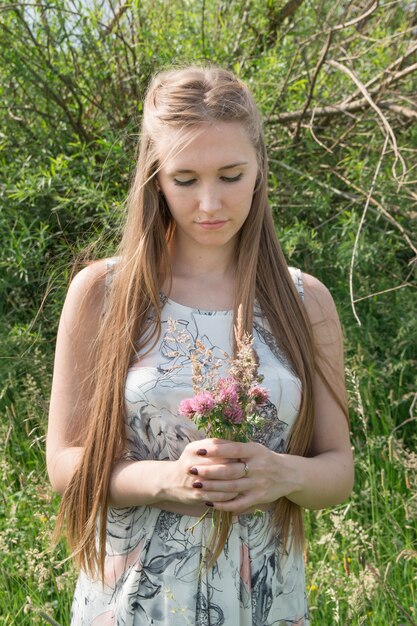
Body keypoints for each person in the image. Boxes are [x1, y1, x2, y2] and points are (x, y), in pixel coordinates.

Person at [47, 65, 354, 626]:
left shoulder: (304, 299)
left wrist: (281, 474)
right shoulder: (105, 293)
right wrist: (167, 480)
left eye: (231, 175)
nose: (209, 203)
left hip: (265, 602)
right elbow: (66, 464)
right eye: (185, 180)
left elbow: (338, 470)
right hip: (133, 604)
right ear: (155, 178)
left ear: (260, 167)